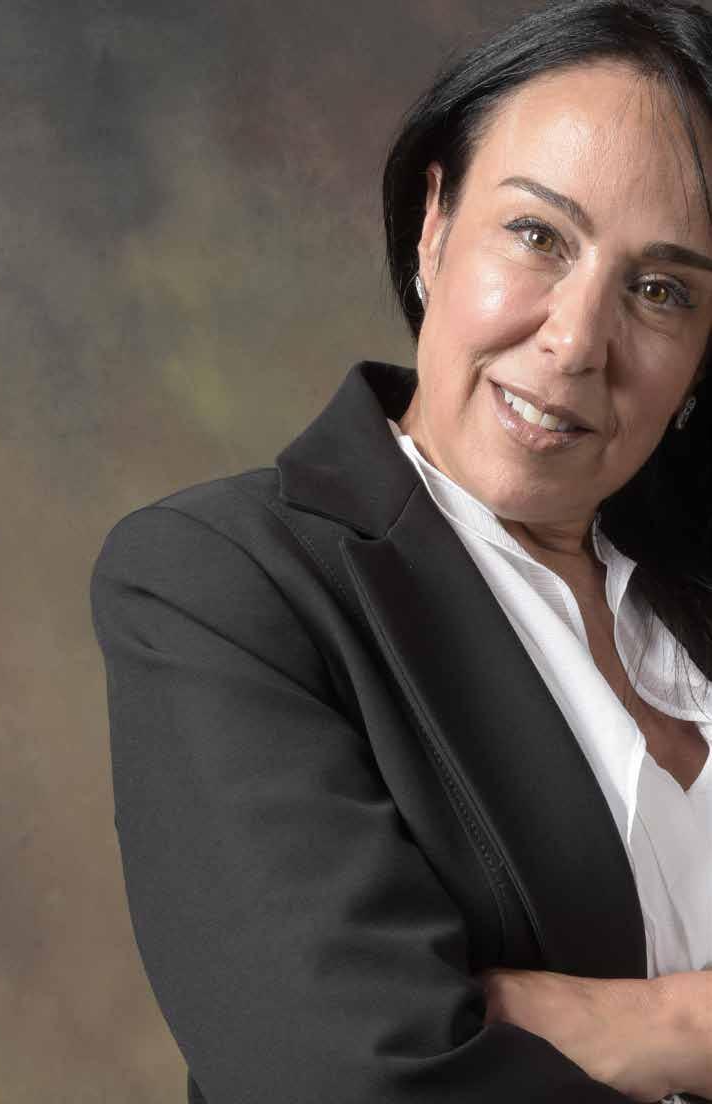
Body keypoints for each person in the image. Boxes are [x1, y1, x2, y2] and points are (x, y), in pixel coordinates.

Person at [89, 1, 712, 1100]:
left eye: (659, 290)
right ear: (433, 227)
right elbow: (344, 1077)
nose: (576, 342)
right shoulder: (221, 580)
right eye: (537, 236)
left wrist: (650, 1025)